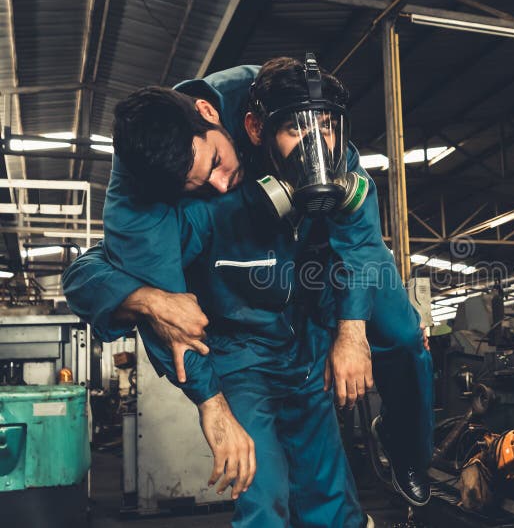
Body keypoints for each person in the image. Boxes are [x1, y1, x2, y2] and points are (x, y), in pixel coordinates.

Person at [63, 56, 431, 515]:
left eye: (216, 161)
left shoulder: (296, 113)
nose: (219, 184)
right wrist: (154, 308)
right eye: (197, 185)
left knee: (401, 333)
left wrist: (351, 329)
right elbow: (105, 281)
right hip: (244, 353)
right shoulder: (159, 203)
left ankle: (406, 443)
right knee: (263, 491)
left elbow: (359, 238)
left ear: (218, 116)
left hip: (312, 319)